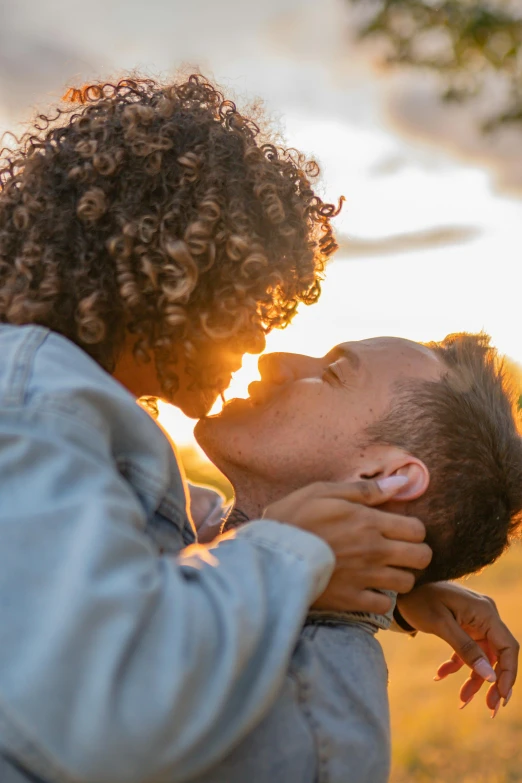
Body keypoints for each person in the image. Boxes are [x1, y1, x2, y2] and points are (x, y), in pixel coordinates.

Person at [0, 75, 435, 783]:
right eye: (253, 295)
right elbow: (105, 700)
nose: (259, 336)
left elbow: (157, 535)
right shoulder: (35, 401)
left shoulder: (52, 402)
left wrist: (393, 586)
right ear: (170, 272)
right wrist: (295, 552)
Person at [192, 332, 522, 782]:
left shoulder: (311, 730)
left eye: (331, 374)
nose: (273, 360)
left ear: (387, 479)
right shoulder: (173, 513)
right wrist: (389, 596)